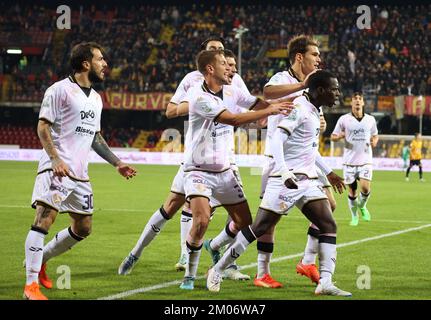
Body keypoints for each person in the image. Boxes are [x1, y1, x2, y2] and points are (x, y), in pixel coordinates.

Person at [207, 70, 352, 297]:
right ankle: (217, 269)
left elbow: (309, 150)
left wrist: (330, 173)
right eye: (334, 89)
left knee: (328, 224)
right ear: (321, 90)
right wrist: (284, 172)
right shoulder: (300, 109)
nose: (338, 94)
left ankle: (325, 281)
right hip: (286, 181)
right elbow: (276, 139)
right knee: (259, 228)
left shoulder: (314, 110)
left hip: (308, 181)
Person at [117, 38, 250, 281]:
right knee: (173, 208)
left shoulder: (233, 78)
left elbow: (245, 110)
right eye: (213, 51)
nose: (219, 55)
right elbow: (170, 110)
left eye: (221, 51)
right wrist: (198, 103)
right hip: (196, 158)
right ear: (204, 57)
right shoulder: (192, 81)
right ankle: (138, 253)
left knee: (235, 216)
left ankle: (222, 258)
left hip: (225, 157)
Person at [23, 42, 137, 300]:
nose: (105, 64)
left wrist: (117, 163)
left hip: (80, 174)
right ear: (86, 63)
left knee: (83, 228)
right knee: (44, 219)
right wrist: (54, 160)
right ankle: (30, 286)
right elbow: (42, 127)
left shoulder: (96, 98)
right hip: (57, 169)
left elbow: (95, 138)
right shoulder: (59, 90)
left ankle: (42, 259)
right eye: (100, 59)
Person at [181, 50, 292, 290]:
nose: (230, 68)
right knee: (200, 221)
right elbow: (232, 119)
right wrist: (270, 111)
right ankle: (190, 275)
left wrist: (281, 107)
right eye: (224, 64)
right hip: (198, 170)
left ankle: (216, 254)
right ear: (210, 69)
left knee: (246, 223)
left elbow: (256, 102)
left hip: (224, 171)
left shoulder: (231, 90)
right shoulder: (198, 96)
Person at [331, 92, 379, 226]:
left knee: (364, 188)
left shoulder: (370, 120)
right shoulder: (343, 119)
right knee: (352, 191)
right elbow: (333, 136)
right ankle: (354, 216)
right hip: (349, 162)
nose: (357, 101)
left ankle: (362, 206)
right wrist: (339, 136)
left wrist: (374, 141)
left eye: (360, 99)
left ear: (363, 103)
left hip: (365, 160)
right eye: (355, 99)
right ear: (351, 103)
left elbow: (375, 135)